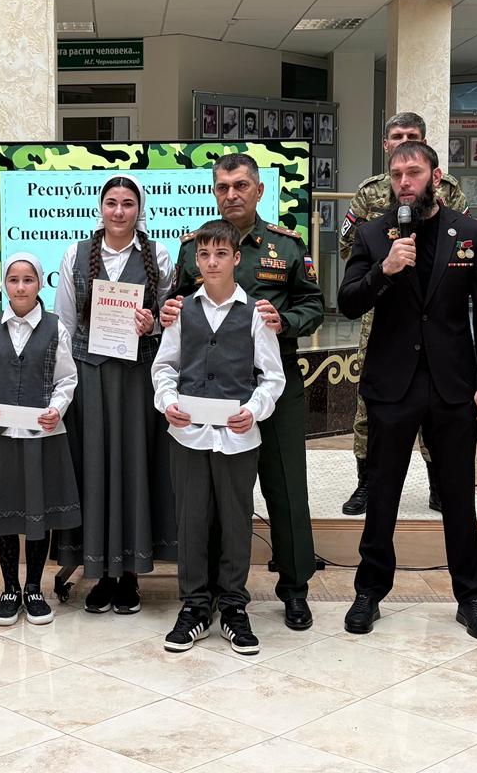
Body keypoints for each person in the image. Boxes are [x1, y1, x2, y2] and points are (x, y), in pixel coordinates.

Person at [338, 141, 477, 641]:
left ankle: (470, 598)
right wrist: (384, 270)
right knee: (382, 494)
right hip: (392, 385)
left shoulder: (469, 233)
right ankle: (369, 593)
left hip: (453, 385)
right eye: (396, 174)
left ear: (435, 174)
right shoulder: (373, 233)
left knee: (458, 496)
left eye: (413, 172)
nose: (404, 182)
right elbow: (347, 302)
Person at [166, 152, 324, 631]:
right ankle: (215, 593)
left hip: (274, 383)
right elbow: (178, 300)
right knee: (215, 494)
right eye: (222, 187)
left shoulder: (286, 246)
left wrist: (284, 320)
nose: (231, 194)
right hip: (212, 392)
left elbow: (314, 305)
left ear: (259, 190)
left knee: (285, 488)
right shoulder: (197, 246)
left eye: (240, 185)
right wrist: (168, 309)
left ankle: (294, 588)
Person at [153, 219, 284, 655]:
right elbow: (165, 367)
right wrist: (167, 401)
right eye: (204, 254)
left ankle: (232, 606)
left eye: (221, 254)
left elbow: (272, 377)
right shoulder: (181, 311)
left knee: (235, 521)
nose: (212, 262)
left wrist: (254, 410)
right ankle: (194, 605)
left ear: (236, 259)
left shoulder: (256, 314)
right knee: (191, 521)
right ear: (195, 260)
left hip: (237, 438)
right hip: (188, 435)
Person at [52, 174, 175, 614]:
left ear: (139, 209)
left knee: (132, 467)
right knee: (95, 469)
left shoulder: (158, 255)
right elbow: (64, 324)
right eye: (111, 202)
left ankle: (130, 576)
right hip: (89, 377)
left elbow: (170, 320)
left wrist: (153, 324)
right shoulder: (76, 254)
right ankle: (100, 573)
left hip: (137, 379)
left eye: (127, 203)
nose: (119, 211)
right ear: (100, 208)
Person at [338, 112, 470, 515]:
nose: (402, 141)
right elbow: (349, 249)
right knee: (372, 401)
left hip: (433, 307)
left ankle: (438, 483)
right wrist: (384, 261)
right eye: (396, 136)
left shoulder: (448, 189)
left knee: (435, 396)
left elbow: (462, 244)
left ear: (426, 145)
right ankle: (367, 482)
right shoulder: (370, 192)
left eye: (411, 135)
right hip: (383, 304)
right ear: (385, 145)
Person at [0, 252, 81, 627]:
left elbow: (67, 378)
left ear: (40, 284)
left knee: (37, 512)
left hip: (42, 436)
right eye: (13, 280)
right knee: (4, 512)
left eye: (28, 280)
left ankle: (33, 588)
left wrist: (57, 408)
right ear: (5, 284)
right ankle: (10, 589)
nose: (20, 287)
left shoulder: (55, 328)